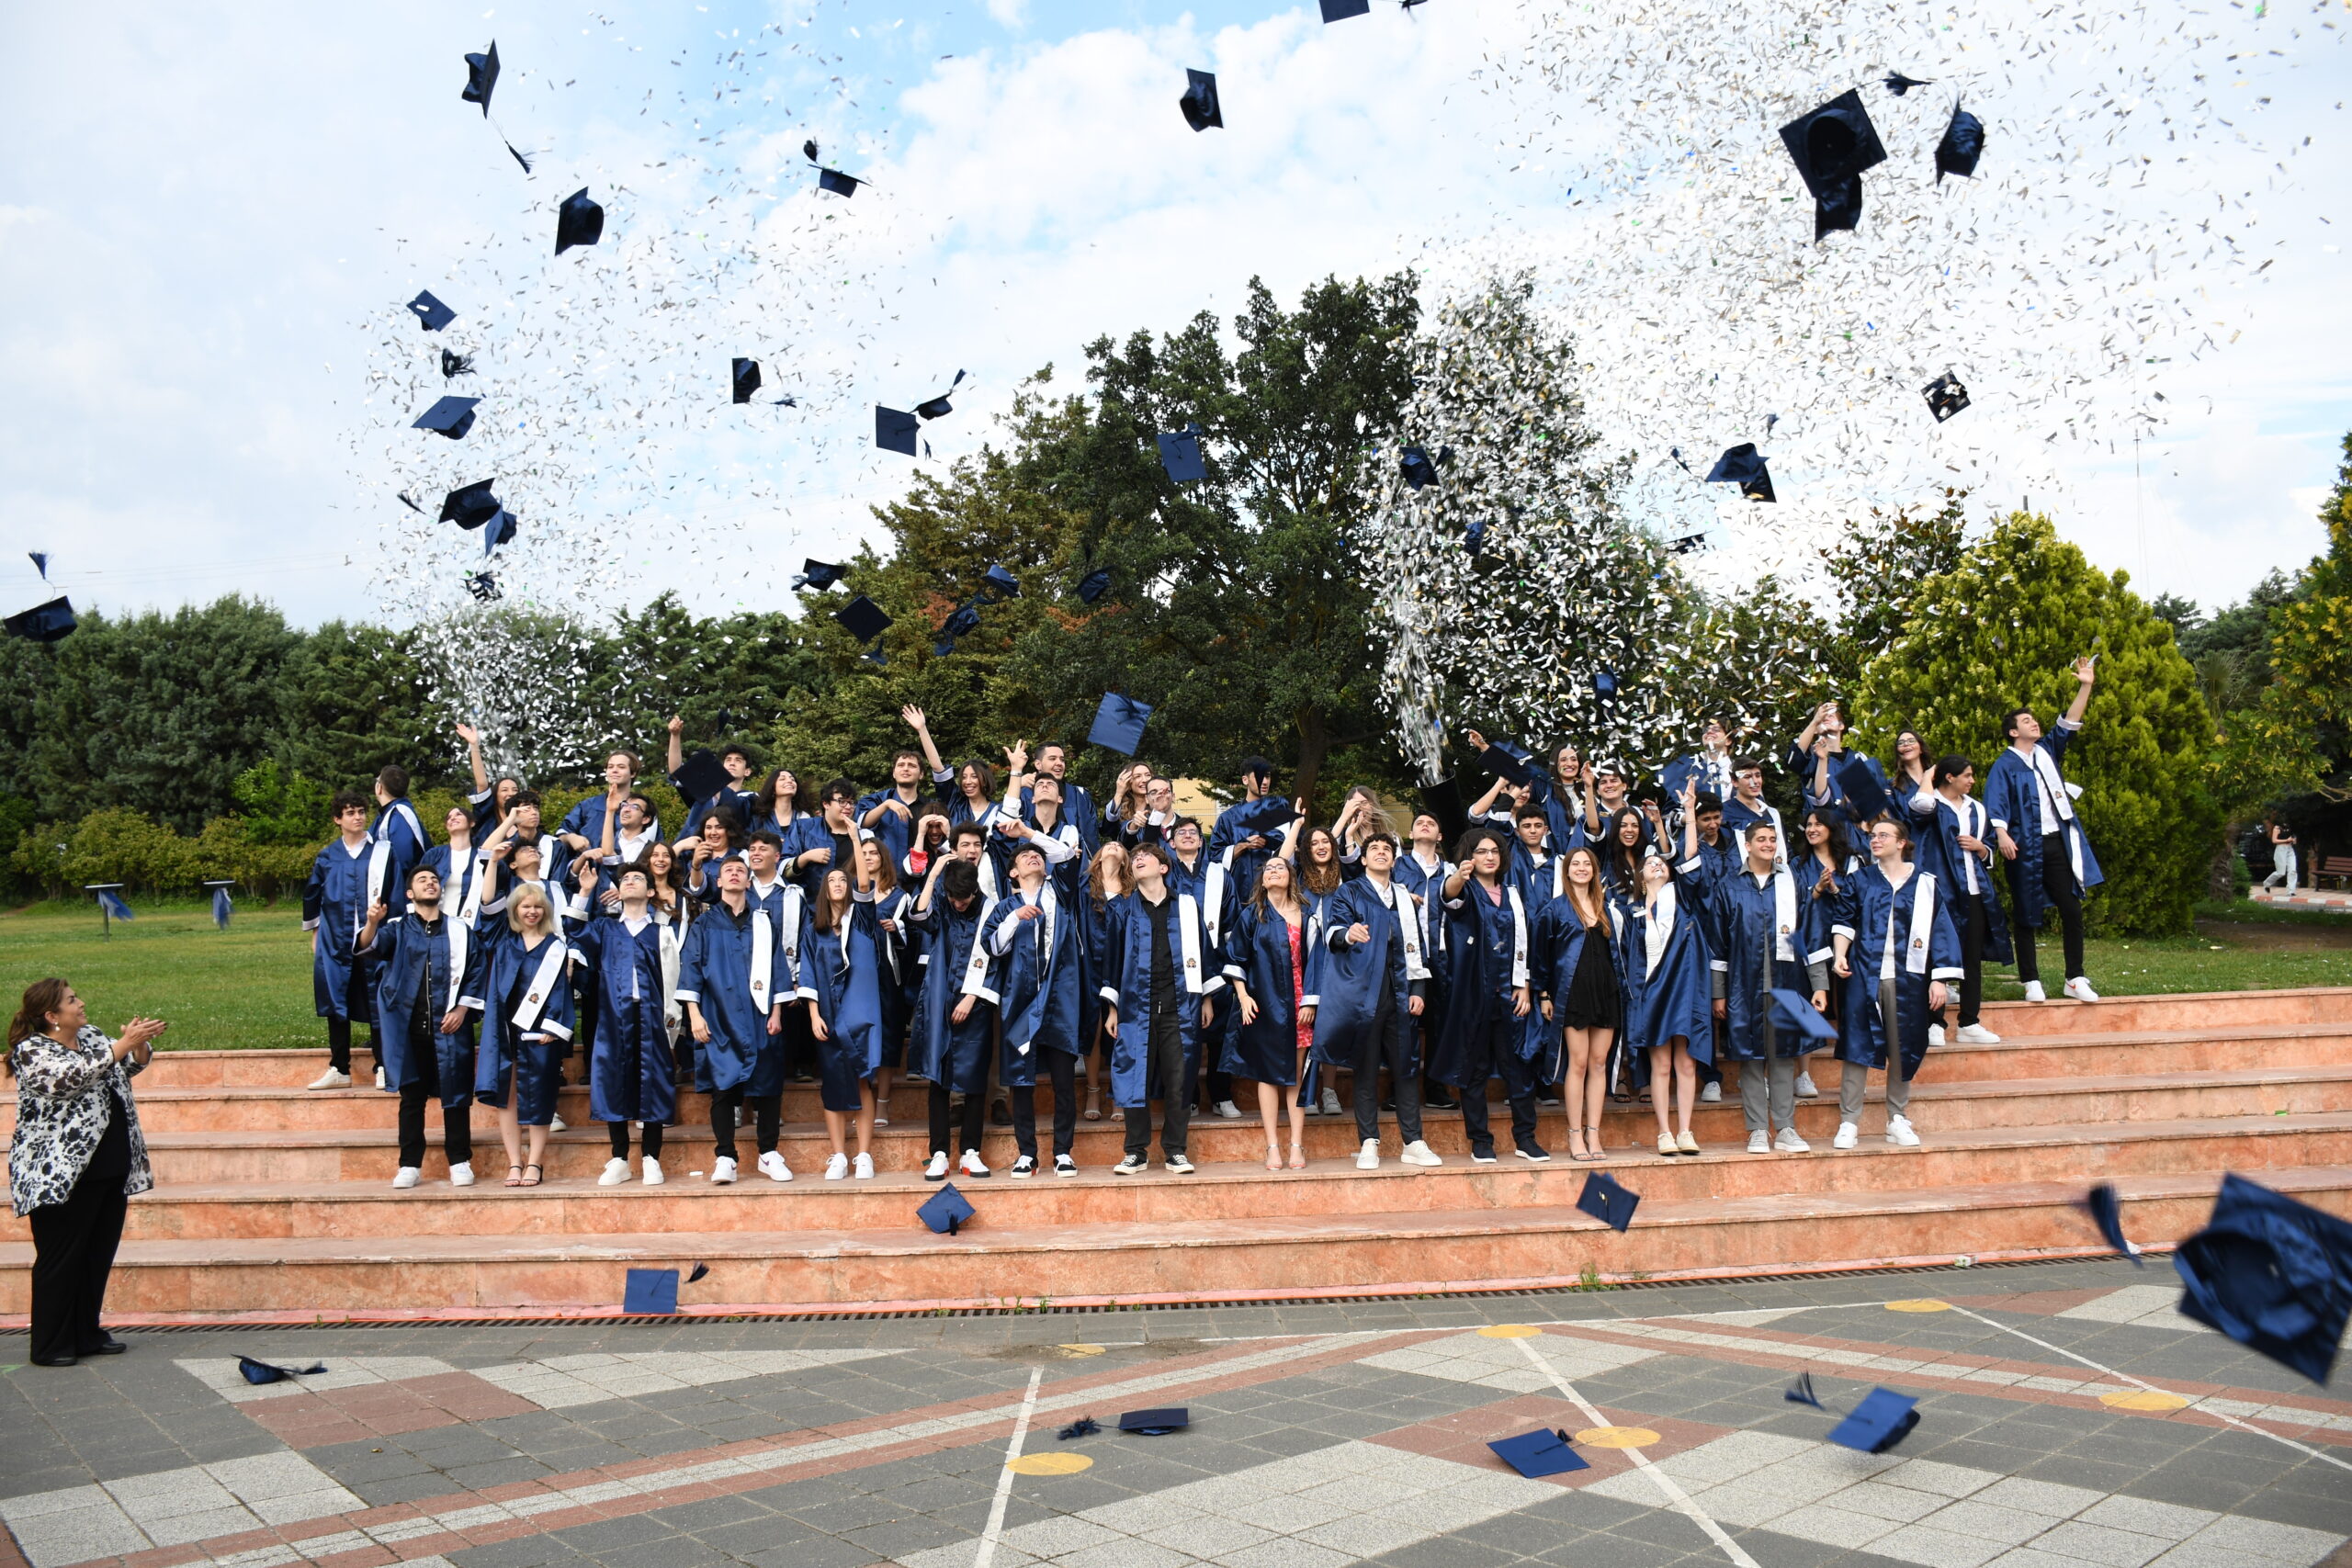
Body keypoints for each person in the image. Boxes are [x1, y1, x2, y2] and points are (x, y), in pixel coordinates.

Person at [8, 980, 163, 1367]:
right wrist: (123, 1045)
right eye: (72, 1000)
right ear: (51, 1015)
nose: (81, 1003)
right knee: (60, 1259)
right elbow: (72, 1078)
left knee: (96, 1255)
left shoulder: (92, 1036)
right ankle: (50, 1344)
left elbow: (125, 1066)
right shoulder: (31, 1051)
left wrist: (137, 1044)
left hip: (108, 1168)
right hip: (59, 1175)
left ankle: (86, 1333)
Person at [1692, 818, 1831, 1155]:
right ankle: (1757, 1129)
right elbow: (1717, 944)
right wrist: (1719, 992)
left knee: (1783, 1057)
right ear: (1749, 845)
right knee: (1751, 1060)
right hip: (1744, 986)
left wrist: (1819, 985)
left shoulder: (1791, 883)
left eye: (1773, 839)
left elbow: (1808, 935)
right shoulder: (1729, 886)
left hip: (1787, 985)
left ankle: (1785, 1128)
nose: (1769, 844)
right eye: (1762, 840)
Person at [1828, 816, 1963, 1150]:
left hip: (1910, 979)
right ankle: (1849, 1122)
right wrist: (1840, 955)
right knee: (1857, 1046)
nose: (1875, 840)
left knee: (1903, 1047)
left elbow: (1941, 932)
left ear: (1901, 842)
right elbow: (1844, 921)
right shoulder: (1861, 880)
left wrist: (1940, 979)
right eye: (1872, 836)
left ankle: (1897, 1118)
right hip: (1865, 975)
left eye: (1883, 835)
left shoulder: (1925, 884)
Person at [1312, 832, 1443, 1169]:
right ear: (1365, 859)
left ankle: (1413, 1142)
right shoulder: (1350, 891)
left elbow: (1418, 950)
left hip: (1400, 991)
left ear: (1394, 860)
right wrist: (1348, 933)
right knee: (1366, 1069)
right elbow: (1332, 931)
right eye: (1375, 849)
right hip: (1363, 995)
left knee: (1406, 1068)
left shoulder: (1403, 897)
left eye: (1387, 849)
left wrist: (1418, 991)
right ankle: (1368, 1141)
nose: (1381, 853)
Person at [1985, 656, 2103, 1003]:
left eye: (2034, 719)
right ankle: (2030, 980)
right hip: (2023, 846)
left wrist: (2086, 685)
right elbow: (1996, 802)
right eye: (2026, 720)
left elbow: (2070, 721)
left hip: (2057, 844)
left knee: (2071, 908)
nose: (2033, 723)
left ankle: (2075, 977)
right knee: (2026, 910)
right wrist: (2002, 834)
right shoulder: (2004, 765)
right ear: (2012, 731)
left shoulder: (2047, 751)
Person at [360, 865, 483, 1190]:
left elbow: (476, 971)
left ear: (441, 891)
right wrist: (372, 921)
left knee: (456, 1097)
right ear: (409, 894)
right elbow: (367, 948)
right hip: (408, 1030)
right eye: (422, 881)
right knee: (411, 1098)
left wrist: (462, 1008)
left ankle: (459, 1160)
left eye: (434, 880)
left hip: (449, 1027)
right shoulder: (396, 928)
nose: (430, 883)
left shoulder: (460, 930)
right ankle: (409, 1164)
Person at [1102, 842, 1217, 1175]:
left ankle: (1175, 1150)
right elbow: (1111, 959)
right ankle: (1135, 1152)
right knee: (1133, 1074)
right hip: (1136, 1006)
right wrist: (1112, 1008)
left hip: (1180, 1005)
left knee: (1179, 1078)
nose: (1137, 859)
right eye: (1134, 857)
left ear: (1163, 867)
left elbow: (1205, 952)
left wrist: (1207, 997)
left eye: (1145, 856)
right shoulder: (1123, 909)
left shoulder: (1186, 905)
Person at [678, 858, 789, 1184]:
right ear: (719, 880)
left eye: (740, 870)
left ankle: (768, 1153)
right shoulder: (705, 923)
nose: (735, 873)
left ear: (748, 879)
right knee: (723, 1087)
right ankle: (726, 1155)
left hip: (759, 1014)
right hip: (718, 1015)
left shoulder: (764, 922)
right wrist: (694, 1015)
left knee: (768, 1086)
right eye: (728, 870)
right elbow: (692, 969)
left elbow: (777, 967)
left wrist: (777, 1011)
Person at [1434, 830, 1542, 1164]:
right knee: (1475, 1070)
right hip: (1474, 997)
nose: (1489, 857)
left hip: (1510, 995)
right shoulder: (1465, 890)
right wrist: (1458, 875)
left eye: (1494, 851)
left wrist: (1524, 985)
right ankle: (1481, 1140)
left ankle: (1525, 1137)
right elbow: (1447, 897)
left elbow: (1525, 943)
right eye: (1481, 852)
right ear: (1471, 857)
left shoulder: (1512, 893)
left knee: (1518, 1069)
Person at [568, 862, 678, 1186]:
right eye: (625, 878)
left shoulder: (662, 932)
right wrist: (585, 890)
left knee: (654, 1082)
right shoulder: (605, 929)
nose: (630, 881)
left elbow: (673, 977)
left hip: (652, 1014)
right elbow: (573, 929)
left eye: (638, 878)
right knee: (612, 1081)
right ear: (618, 890)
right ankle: (619, 1158)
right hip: (613, 1015)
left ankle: (651, 1158)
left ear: (650, 891)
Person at [988, 841, 1088, 1177]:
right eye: (1024, 856)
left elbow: (1065, 854)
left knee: (1063, 1078)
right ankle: (1026, 1153)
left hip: (1060, 998)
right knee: (1022, 1080)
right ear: (1013, 872)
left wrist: (1027, 833)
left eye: (1038, 857)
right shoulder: (1004, 907)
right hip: (1019, 1001)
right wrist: (1015, 919)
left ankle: (1063, 1151)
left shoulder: (1060, 893)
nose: (1034, 857)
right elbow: (993, 947)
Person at [1625, 790, 1714, 1156]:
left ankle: (1686, 1130)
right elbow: (1631, 963)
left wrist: (1690, 814)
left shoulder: (1684, 898)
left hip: (1687, 989)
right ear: (1640, 876)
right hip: (1654, 992)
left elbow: (1690, 857)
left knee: (1686, 1062)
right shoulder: (1631, 912)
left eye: (1662, 863)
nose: (1658, 866)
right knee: (1661, 1064)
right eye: (1650, 865)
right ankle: (1664, 1132)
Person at [473, 881, 573, 1188]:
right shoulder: (505, 943)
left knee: (541, 1095)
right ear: (515, 910)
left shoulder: (555, 947)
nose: (532, 911)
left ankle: (535, 1163)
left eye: (537, 906)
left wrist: (553, 1027)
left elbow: (560, 989)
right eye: (526, 906)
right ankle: (514, 1162)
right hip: (505, 1029)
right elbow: (487, 911)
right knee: (507, 1096)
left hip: (540, 1032)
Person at [1224, 853, 1319, 1170]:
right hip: (1264, 1001)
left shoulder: (1308, 913)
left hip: (1300, 1002)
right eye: (1269, 869)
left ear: (1291, 876)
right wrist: (1243, 996)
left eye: (1281, 867)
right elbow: (1236, 958)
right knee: (1267, 1075)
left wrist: (1311, 1001)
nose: (1275, 871)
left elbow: (1319, 961)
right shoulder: (1252, 915)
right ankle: (1272, 1147)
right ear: (1262, 880)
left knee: (1296, 1075)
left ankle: (1296, 1145)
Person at [1907, 756, 2010, 1045]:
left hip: (1974, 892)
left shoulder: (1976, 808)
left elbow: (1988, 845)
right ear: (1949, 778)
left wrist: (1981, 848)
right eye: (1967, 775)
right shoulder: (1931, 804)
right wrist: (1928, 775)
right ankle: (1934, 1023)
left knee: (1971, 959)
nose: (1972, 780)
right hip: (1940, 894)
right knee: (1934, 958)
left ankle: (1969, 1021)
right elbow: (1920, 808)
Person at [909, 855, 1001, 1178]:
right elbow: (921, 917)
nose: (958, 904)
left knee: (974, 1080)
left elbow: (995, 960)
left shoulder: (990, 910)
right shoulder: (944, 904)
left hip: (975, 1007)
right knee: (938, 1078)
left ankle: (971, 1152)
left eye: (963, 898)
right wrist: (934, 874)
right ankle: (939, 1153)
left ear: (974, 891)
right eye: (952, 898)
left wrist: (971, 996)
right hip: (939, 1001)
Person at [799, 869, 888, 1180]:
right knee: (833, 1083)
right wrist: (813, 1014)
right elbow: (807, 973)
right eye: (830, 881)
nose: (837, 884)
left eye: (841, 880)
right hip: (826, 1013)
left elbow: (864, 884)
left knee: (863, 1079)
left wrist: (854, 838)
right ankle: (838, 1155)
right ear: (823, 891)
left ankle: (863, 1155)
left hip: (859, 1016)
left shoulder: (862, 921)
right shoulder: (814, 931)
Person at [1532, 845, 1620, 1161]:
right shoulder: (1554, 909)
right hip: (1572, 993)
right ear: (1566, 870)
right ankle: (1574, 1134)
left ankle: (1593, 1133)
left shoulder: (1608, 907)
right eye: (1575, 864)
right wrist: (1543, 994)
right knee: (1579, 1063)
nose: (1581, 868)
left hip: (1605, 992)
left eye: (1587, 864)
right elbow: (1540, 957)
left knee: (1599, 1063)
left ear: (1595, 870)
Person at [303, 790, 380, 1091]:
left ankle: (384, 1065)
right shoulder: (328, 856)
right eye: (350, 812)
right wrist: (315, 933)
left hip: (374, 938)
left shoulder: (380, 852)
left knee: (377, 998)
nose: (358, 817)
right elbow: (313, 894)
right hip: (336, 938)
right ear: (338, 819)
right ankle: (339, 1067)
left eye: (361, 811)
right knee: (336, 998)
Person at [1078, 842, 1135, 1126]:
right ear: (1097, 857)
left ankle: (1118, 1095)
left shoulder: (1131, 893)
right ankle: (1092, 1092)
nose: (1113, 846)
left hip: (1123, 966)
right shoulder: (1084, 888)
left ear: (1126, 859)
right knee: (1094, 1029)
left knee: (1119, 1032)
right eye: (1107, 844)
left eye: (1119, 846)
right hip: (1089, 966)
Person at [863, 705, 956, 868]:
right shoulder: (878, 800)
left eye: (912, 766)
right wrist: (887, 805)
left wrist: (922, 729)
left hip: (922, 878)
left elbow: (941, 773)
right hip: (886, 877)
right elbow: (863, 823)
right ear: (893, 773)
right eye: (901, 765)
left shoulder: (930, 807)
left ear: (921, 774)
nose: (905, 768)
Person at [1208, 756, 1293, 899]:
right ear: (1245, 780)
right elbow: (1214, 857)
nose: (1265, 781)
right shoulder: (1228, 819)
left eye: (1267, 777)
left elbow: (1292, 856)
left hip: (1276, 897)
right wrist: (1242, 846)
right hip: (1238, 898)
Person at [666, 715, 759, 844]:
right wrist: (675, 736)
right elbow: (677, 773)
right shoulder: (704, 793)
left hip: (729, 857)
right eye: (728, 760)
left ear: (747, 771)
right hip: (691, 851)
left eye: (738, 761)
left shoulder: (750, 798)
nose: (732, 763)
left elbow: (736, 807)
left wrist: (711, 774)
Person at [369, 766, 429, 924]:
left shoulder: (399, 815)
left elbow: (402, 862)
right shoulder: (389, 814)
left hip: (401, 899)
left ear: (379, 787)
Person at [457, 721, 524, 838]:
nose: (511, 793)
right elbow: (482, 783)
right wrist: (474, 745)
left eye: (515, 790)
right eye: (504, 790)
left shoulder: (525, 822)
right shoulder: (486, 817)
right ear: (495, 796)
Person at [1719, 758, 1788, 869]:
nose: (1755, 781)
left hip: (1775, 879)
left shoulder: (1772, 813)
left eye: (1757, 775)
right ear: (1734, 781)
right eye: (1747, 777)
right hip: (1740, 880)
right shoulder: (1724, 813)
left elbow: (1784, 848)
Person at [2264, 818, 2301, 897]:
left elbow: (2294, 838)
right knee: (2281, 872)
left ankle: (2291, 891)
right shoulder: (2277, 828)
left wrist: (2294, 840)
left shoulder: (2291, 827)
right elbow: (2274, 840)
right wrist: (2286, 840)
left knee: (2293, 870)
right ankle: (2267, 883)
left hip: (2290, 849)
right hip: (2281, 849)